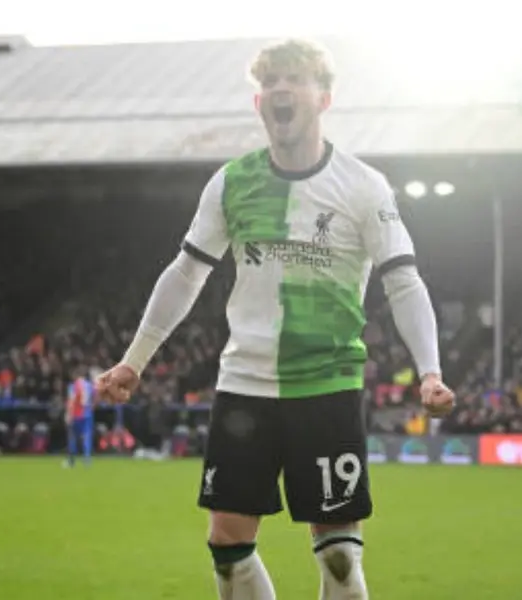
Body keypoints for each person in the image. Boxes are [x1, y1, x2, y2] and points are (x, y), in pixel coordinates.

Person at [95, 39, 454, 600]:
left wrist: (429, 370)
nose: (282, 89)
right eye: (272, 82)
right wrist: (133, 360)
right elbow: (187, 273)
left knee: (339, 558)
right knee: (227, 547)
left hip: (327, 382)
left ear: (324, 98)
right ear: (260, 102)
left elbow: (403, 279)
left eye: (296, 78)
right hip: (245, 385)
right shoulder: (231, 182)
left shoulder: (363, 186)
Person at [64, 368, 95, 467]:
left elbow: (71, 401)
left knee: (73, 438)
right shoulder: (89, 385)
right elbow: (95, 397)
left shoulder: (73, 386)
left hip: (76, 414)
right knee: (86, 437)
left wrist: (68, 414)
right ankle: (87, 459)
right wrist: (91, 407)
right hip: (87, 415)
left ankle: (71, 461)